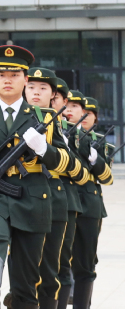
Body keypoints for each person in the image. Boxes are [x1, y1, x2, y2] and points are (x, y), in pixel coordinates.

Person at [0, 45, 71, 309]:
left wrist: (44, 149)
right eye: (1, 75)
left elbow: (66, 162)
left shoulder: (44, 117)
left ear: (25, 79)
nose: (7, 80)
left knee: (26, 283)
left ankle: (15, 297)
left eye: (14, 75)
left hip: (33, 197)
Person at [25, 68, 83, 309]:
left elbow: (75, 168)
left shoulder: (60, 126)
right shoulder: (13, 118)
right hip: (22, 199)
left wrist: (48, 151)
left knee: (53, 269)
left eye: (43, 89)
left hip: (55, 199)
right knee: (24, 271)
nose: (36, 93)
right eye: (31, 87)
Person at [68, 95, 113, 309]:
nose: (84, 116)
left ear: (95, 118)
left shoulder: (100, 141)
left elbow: (106, 177)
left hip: (89, 203)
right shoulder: (63, 134)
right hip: (65, 201)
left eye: (89, 113)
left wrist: (95, 158)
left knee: (86, 260)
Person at [55, 88, 91, 309]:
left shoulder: (78, 135)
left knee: (69, 263)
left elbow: (87, 174)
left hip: (71, 202)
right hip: (33, 200)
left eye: (74, 106)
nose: (69, 110)